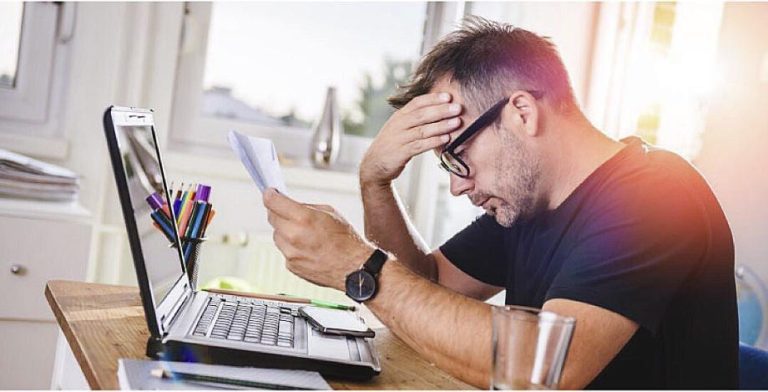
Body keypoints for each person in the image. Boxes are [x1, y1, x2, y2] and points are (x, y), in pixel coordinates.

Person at [262, 17, 738, 389]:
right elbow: (429, 289)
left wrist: (358, 266)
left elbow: (545, 367)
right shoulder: (530, 202)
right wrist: (375, 182)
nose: (457, 187)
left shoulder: (655, 196)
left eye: (459, 157)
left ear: (522, 113)